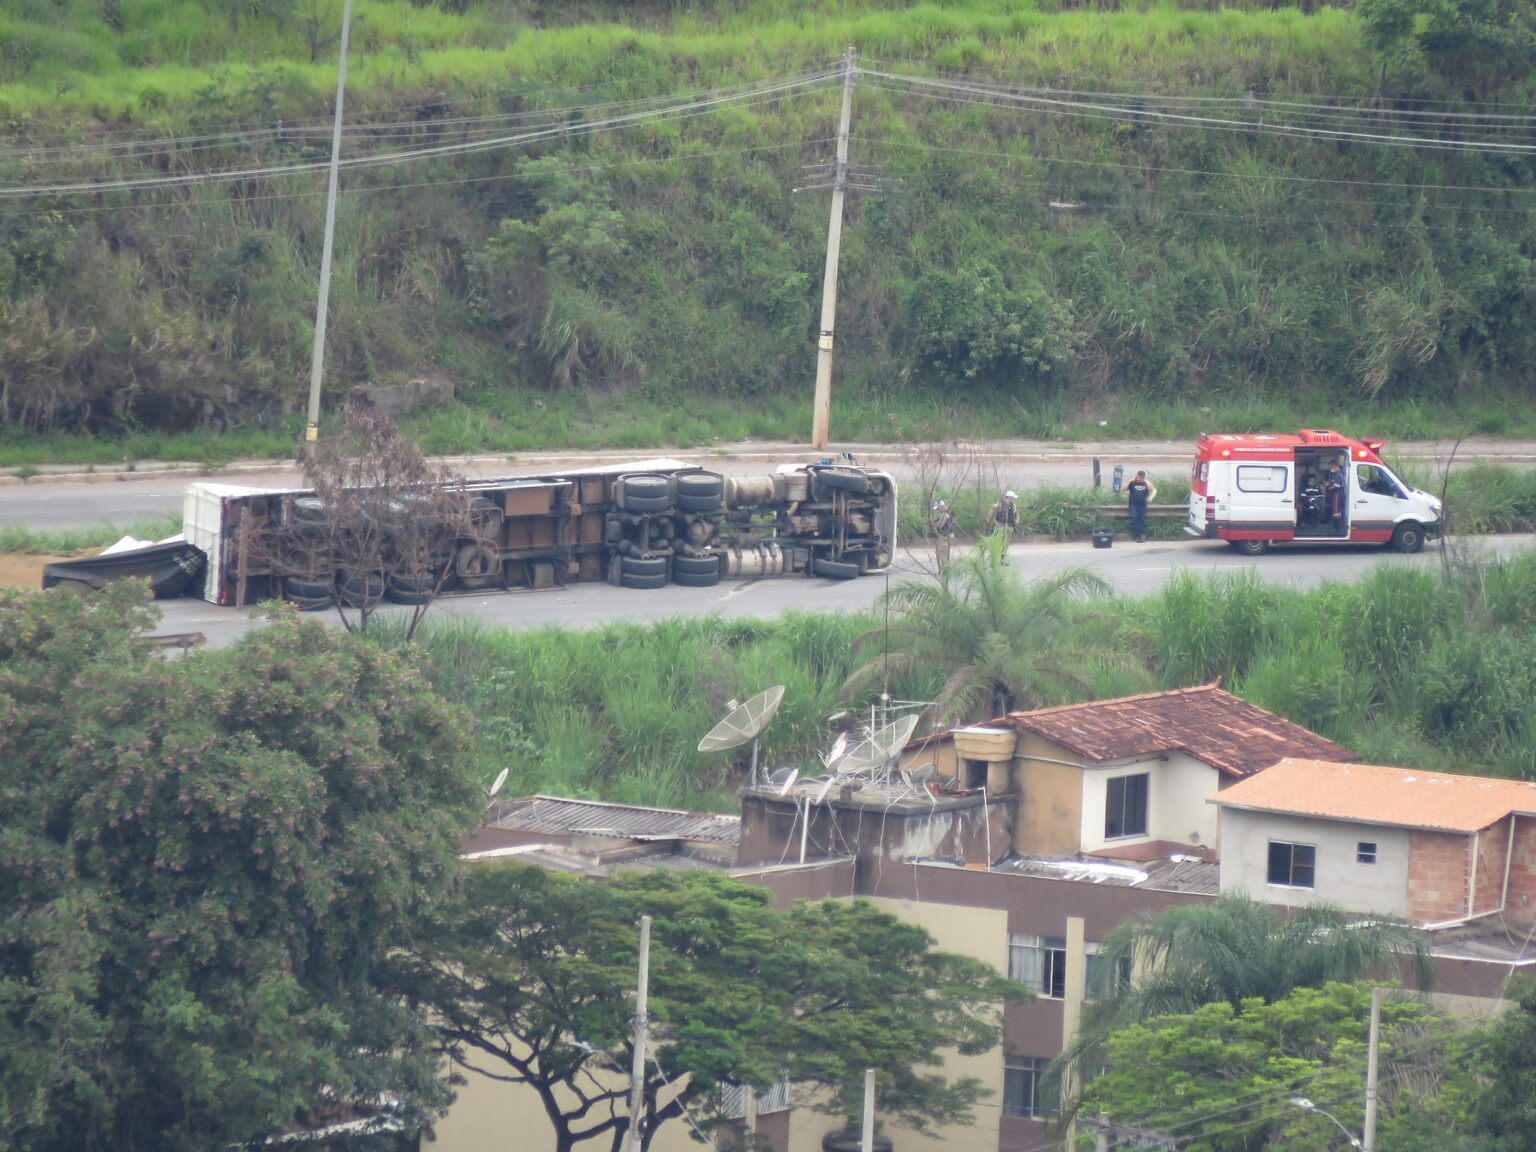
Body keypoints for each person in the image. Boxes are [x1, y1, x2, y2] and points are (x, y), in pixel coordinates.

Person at [989, 490, 1020, 563]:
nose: (1014, 499)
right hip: (1000, 527)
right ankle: (995, 558)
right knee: (998, 543)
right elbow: (991, 515)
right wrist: (996, 523)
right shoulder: (998, 505)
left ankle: (1003, 559)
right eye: (1013, 498)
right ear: (1009, 497)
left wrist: (1016, 521)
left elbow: (1017, 515)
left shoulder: (1013, 506)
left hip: (1009, 528)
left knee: (1006, 544)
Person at [1125, 470, 1156, 542]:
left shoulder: (1146, 483)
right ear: (1137, 476)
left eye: (1141, 478)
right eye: (1138, 477)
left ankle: (1139, 535)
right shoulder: (1132, 482)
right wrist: (1129, 482)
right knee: (1134, 516)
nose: (1139, 479)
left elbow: (1154, 490)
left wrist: (1150, 498)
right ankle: (1141, 534)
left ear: (1143, 478)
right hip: (1133, 504)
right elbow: (1123, 489)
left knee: (1141, 519)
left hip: (1142, 504)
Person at [929, 499, 955, 570]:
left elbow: (941, 524)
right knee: (943, 552)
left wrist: (936, 524)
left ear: (941, 506)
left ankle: (945, 568)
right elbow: (938, 519)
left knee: (942, 552)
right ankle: (944, 568)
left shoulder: (947, 513)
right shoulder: (945, 513)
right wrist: (934, 520)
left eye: (938, 508)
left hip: (946, 535)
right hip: (946, 535)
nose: (938, 510)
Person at [1324, 462, 1345, 527]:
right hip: (1335, 495)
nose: (1331, 469)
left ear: (1336, 466)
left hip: (1338, 495)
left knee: (1337, 511)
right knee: (1335, 511)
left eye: (1331, 467)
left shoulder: (1339, 475)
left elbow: (1337, 486)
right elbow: (1333, 482)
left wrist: (1329, 487)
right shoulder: (1335, 474)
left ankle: (1337, 527)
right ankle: (1336, 525)